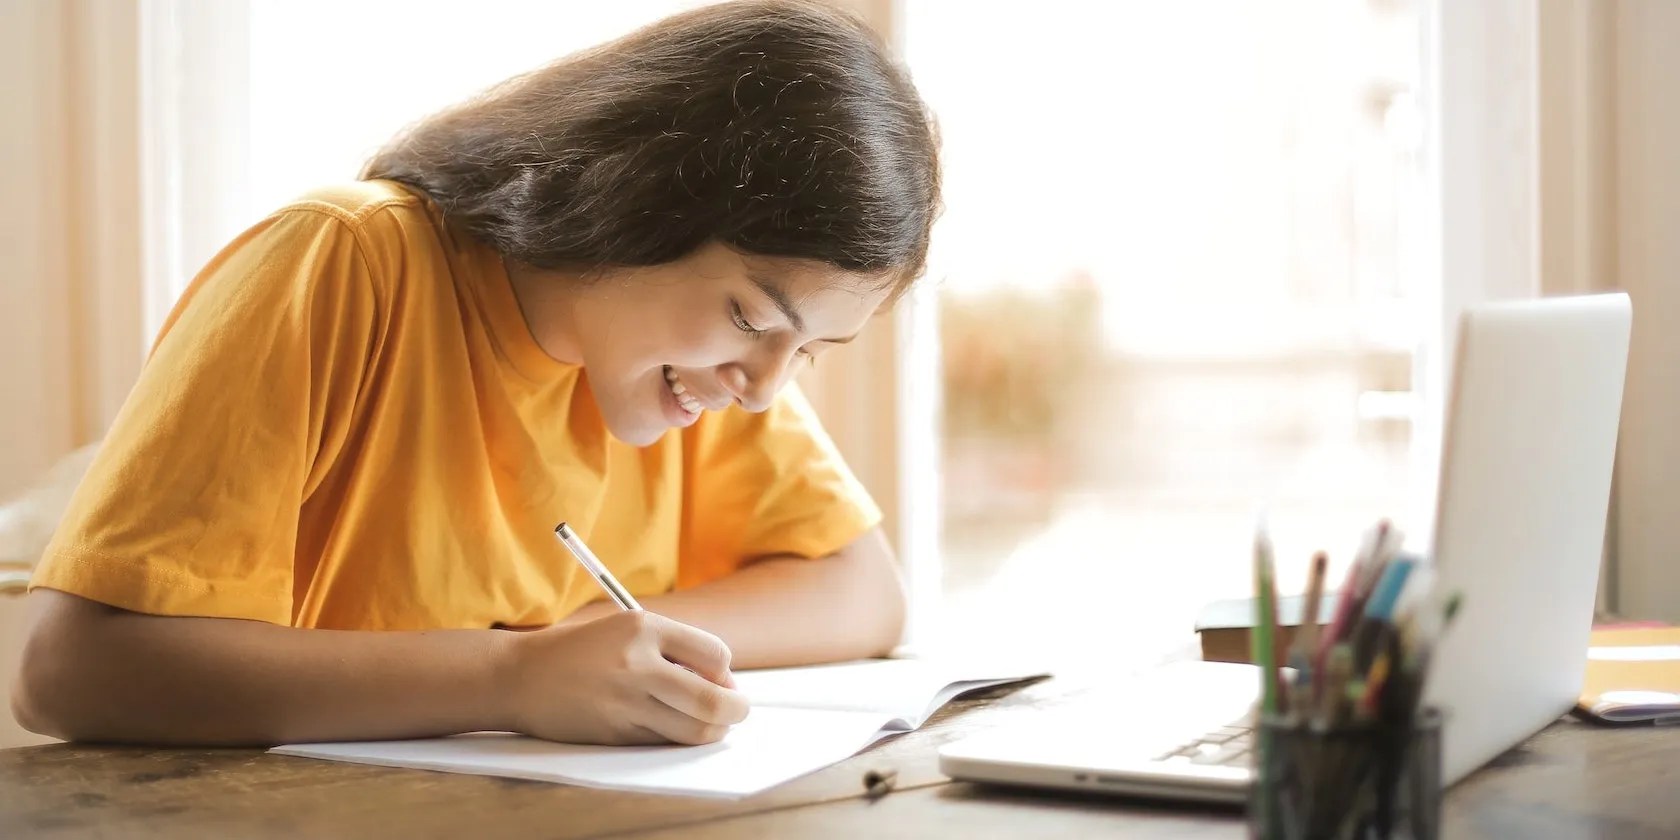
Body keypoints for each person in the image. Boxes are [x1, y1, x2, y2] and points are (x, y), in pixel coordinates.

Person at [13, 0, 939, 749]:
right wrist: (513, 678)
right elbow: (70, 671)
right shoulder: (344, 262)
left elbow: (862, 590)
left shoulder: (701, 368)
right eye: (750, 317)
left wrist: (601, 645)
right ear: (633, 201)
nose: (767, 388)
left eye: (808, 349)